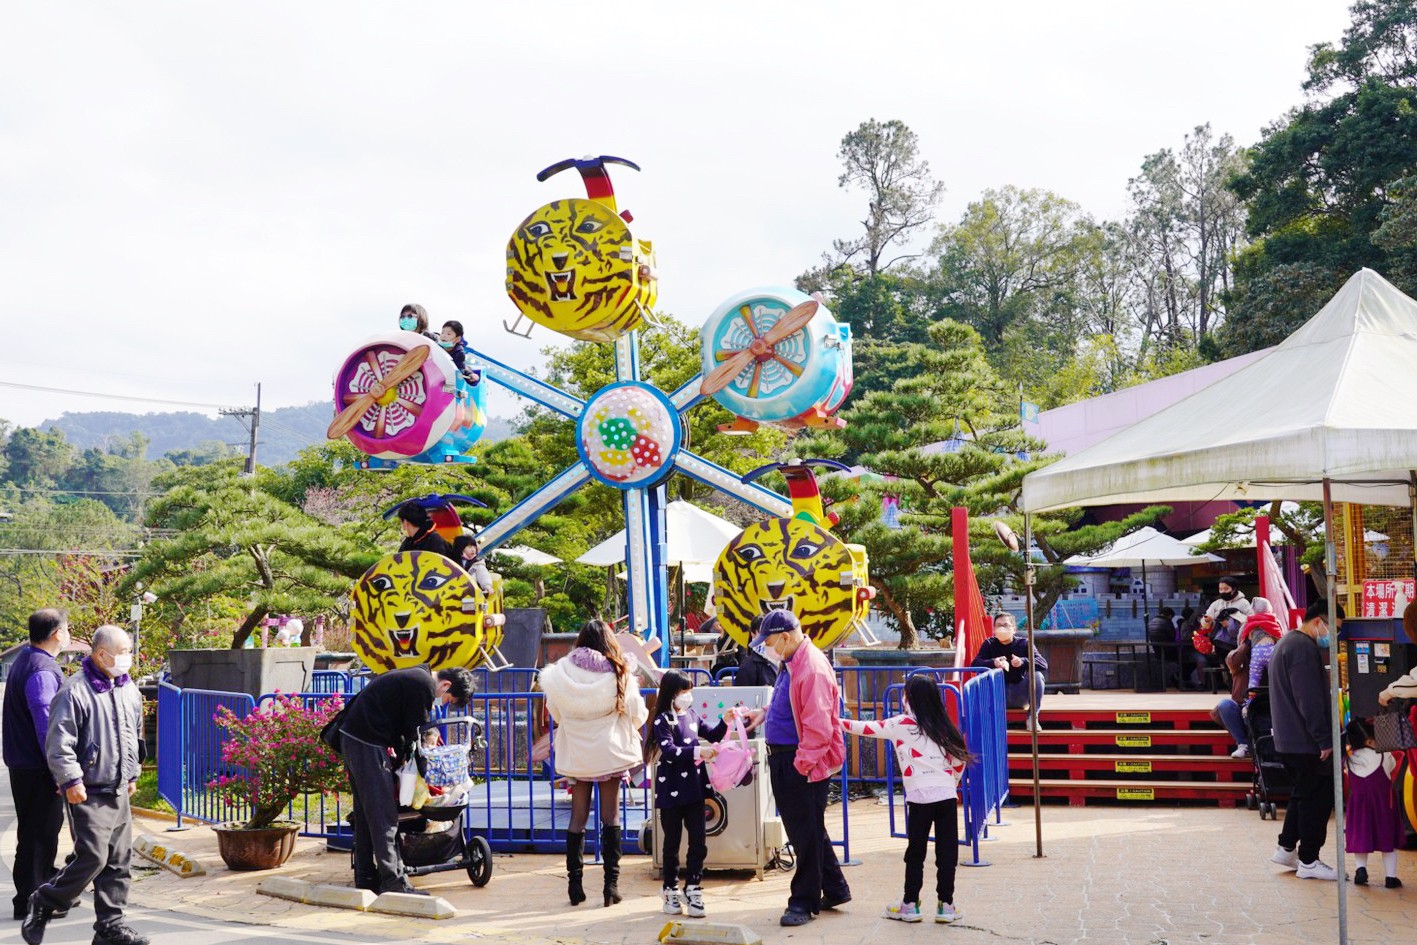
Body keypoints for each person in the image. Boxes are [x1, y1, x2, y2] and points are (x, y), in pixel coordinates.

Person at [23, 626, 146, 945]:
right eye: (122, 652)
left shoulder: (127, 688)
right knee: (93, 857)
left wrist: (132, 773)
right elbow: (59, 741)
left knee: (119, 861)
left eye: (129, 650)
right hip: (87, 789)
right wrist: (70, 779)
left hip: (118, 788)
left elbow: (135, 733)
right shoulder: (75, 691)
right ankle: (46, 900)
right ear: (101, 654)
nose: (128, 657)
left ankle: (110, 927)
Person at [737, 609, 850, 927]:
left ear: (785, 636)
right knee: (810, 828)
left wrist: (802, 765)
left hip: (799, 760)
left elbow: (817, 726)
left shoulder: (810, 667)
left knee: (804, 832)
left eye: (769, 641)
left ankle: (804, 901)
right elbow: (788, 701)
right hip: (792, 757)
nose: (767, 648)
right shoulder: (793, 661)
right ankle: (836, 889)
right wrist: (764, 713)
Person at [840, 675, 971, 925]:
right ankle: (946, 906)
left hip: (919, 798)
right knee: (947, 852)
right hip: (945, 796)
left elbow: (865, 728)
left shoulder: (900, 724)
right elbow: (959, 760)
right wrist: (950, 784)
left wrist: (834, 721)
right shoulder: (944, 726)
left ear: (909, 698)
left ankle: (910, 905)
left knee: (915, 852)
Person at [538, 619, 649, 908]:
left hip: (575, 752)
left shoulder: (560, 672)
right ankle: (610, 887)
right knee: (610, 816)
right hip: (609, 751)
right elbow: (637, 712)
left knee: (577, 818)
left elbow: (556, 712)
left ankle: (575, 886)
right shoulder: (619, 670)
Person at [339, 664, 475, 894]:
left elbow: (405, 730)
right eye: (449, 699)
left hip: (355, 738)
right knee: (384, 814)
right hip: (366, 742)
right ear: (445, 685)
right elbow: (413, 732)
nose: (443, 702)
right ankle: (394, 881)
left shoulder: (415, 675)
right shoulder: (422, 686)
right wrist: (419, 766)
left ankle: (365, 876)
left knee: (366, 812)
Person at [1268, 598, 1344, 881]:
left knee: (1302, 793)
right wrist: (1324, 739)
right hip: (1305, 741)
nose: (1333, 636)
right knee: (1318, 798)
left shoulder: (1286, 643)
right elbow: (1309, 700)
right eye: (1333, 629)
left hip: (1290, 739)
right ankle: (1309, 859)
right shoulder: (1302, 648)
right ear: (1317, 622)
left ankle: (1286, 847)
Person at [3, 610, 69, 922]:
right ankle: (32, 899)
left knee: (36, 832)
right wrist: (59, 768)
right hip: (38, 766)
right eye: (66, 629)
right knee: (39, 834)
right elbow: (46, 722)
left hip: (25, 764)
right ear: (57, 633)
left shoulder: (26, 660)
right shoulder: (41, 670)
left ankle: (43, 890)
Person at [644, 671, 726, 918]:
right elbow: (669, 751)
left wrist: (728, 720)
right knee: (671, 842)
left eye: (689, 691)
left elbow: (713, 733)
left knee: (698, 840)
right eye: (682, 692)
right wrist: (698, 752)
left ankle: (693, 886)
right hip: (670, 789)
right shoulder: (662, 721)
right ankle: (670, 889)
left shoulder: (691, 715)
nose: (687, 697)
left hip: (694, 787)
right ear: (671, 694)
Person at [1212, 597, 1284, 758]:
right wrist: (1246, 644)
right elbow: (1232, 662)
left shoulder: (1278, 650)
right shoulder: (1242, 651)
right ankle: (1243, 743)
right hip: (1245, 702)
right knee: (1225, 706)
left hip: (1270, 702)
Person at [1342, 718, 1404, 889]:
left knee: (1361, 837)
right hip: (1383, 805)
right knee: (1387, 841)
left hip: (1358, 807)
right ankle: (1390, 877)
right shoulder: (1384, 756)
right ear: (1370, 740)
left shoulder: (1349, 760)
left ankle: (1360, 870)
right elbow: (1392, 768)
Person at [971, 613, 1048, 731]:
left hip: (1020, 693)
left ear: (1014, 629)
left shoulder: (1024, 643)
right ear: (994, 629)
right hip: (997, 695)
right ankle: (987, 719)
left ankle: (1032, 717)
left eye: (1006, 625)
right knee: (982, 676)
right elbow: (975, 664)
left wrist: (1023, 661)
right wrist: (993, 663)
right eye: (998, 625)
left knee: (1037, 676)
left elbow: (1043, 663)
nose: (1002, 628)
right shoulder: (989, 644)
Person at [733, 615, 779, 688]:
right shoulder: (749, 666)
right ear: (753, 633)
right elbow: (741, 696)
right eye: (764, 632)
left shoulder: (782, 660)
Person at [1146, 606, 1179, 688]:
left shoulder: (1151, 622)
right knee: (1185, 658)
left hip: (1157, 651)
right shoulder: (1167, 622)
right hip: (1168, 651)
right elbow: (1173, 636)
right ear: (1170, 616)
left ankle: (1175, 677)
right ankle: (1180, 679)